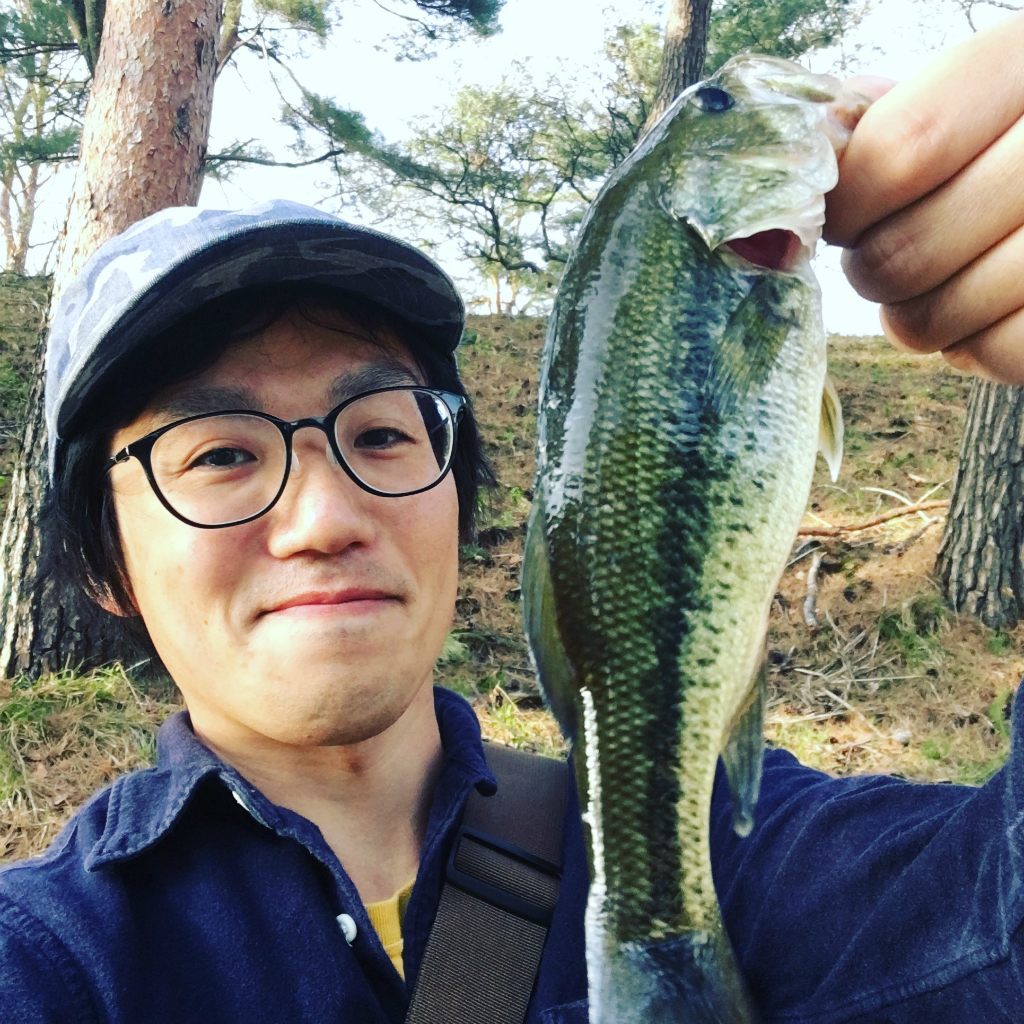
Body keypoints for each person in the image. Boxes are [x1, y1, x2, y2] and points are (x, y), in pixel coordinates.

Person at [1, 11, 1024, 1023]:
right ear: (103, 560)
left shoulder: (722, 847)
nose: (323, 517)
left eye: (381, 433)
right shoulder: (52, 961)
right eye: (222, 455)